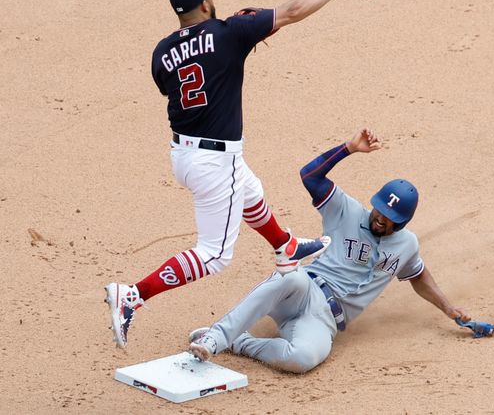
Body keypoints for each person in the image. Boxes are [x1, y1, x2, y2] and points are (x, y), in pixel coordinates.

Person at [104, 0, 374, 348]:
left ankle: (286, 247)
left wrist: (240, 33)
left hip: (183, 155)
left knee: (250, 190)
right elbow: (293, 11)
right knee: (214, 254)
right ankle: (132, 295)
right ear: (204, 3)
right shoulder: (230, 33)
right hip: (215, 161)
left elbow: (193, 72)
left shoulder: (162, 53)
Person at [186, 128, 471, 373]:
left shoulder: (407, 245)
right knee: (290, 276)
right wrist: (348, 149)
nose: (380, 218)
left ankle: (240, 342)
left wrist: (448, 308)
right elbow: (309, 176)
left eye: (388, 218)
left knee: (303, 358)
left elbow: (418, 276)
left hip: (324, 322)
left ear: (402, 223)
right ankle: (216, 337)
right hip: (304, 288)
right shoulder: (345, 210)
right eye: (379, 210)